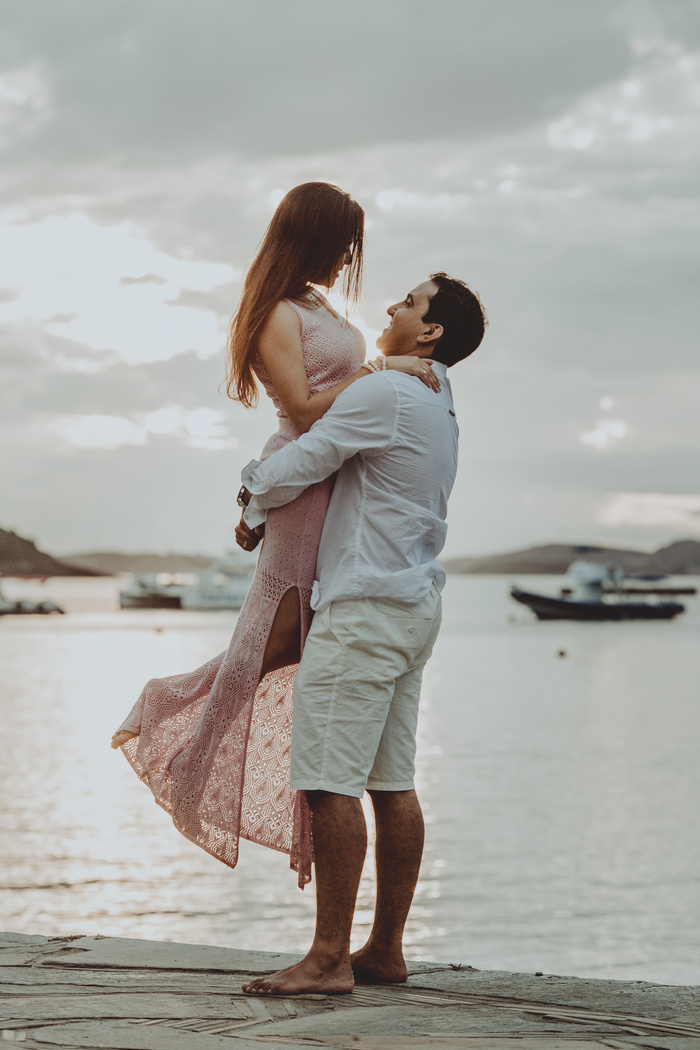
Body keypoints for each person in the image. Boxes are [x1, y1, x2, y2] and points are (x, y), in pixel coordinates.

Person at [110, 182, 439, 887]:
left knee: (303, 641)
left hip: (330, 483)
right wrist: (385, 369)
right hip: (303, 480)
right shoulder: (275, 312)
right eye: (345, 241)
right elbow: (301, 407)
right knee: (281, 637)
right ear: (315, 234)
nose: (352, 255)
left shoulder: (321, 305)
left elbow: (344, 405)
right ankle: (175, 717)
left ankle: (217, 728)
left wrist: (386, 374)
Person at [236, 273, 487, 995]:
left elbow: (305, 459)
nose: (391, 307)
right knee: (391, 783)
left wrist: (250, 499)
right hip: (410, 607)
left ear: (431, 331)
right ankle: (384, 950)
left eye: (409, 303)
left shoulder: (387, 394)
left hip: (364, 611)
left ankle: (326, 959)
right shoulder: (437, 399)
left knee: (326, 782)